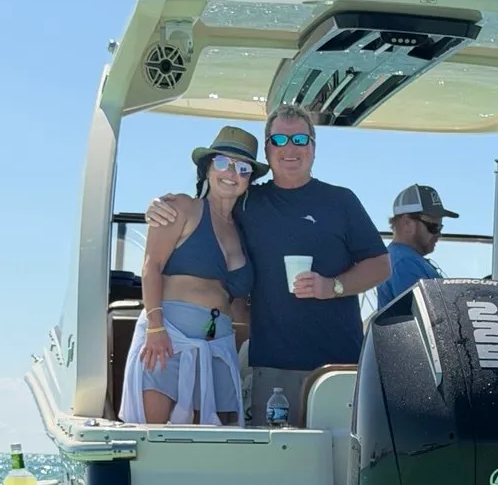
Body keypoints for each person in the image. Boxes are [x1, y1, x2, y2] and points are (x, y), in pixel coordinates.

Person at [146, 103, 389, 426]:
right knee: (278, 466)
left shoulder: (341, 201)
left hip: (339, 367)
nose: (290, 148)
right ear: (267, 148)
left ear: (314, 148)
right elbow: (208, 209)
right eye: (280, 140)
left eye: (300, 140)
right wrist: (159, 206)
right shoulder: (247, 201)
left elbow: (381, 265)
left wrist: (332, 287)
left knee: (341, 465)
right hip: (271, 368)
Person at [119, 126, 262, 425]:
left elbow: (238, 305)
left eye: (243, 168)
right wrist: (156, 328)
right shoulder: (181, 206)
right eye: (222, 162)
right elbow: (151, 266)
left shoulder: (244, 230)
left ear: (249, 180)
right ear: (208, 168)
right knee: (154, 439)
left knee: (217, 448)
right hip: (167, 340)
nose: (231, 173)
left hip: (218, 348)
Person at [376, 184, 458, 308]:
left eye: (440, 227)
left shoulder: (404, 259)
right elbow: (431, 317)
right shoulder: (404, 262)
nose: (439, 234)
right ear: (407, 223)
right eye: (433, 227)